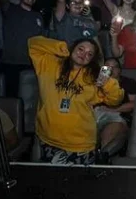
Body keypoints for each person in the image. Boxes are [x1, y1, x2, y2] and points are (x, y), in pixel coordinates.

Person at [28, 36, 125, 165]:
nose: (84, 54)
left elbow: (115, 100)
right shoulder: (49, 63)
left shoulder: (94, 77)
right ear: (72, 48)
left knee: (79, 184)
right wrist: (62, 48)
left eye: (89, 54)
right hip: (49, 140)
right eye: (81, 49)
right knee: (51, 182)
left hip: (81, 145)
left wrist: (107, 83)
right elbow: (33, 43)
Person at [0, 0, 44, 99]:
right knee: (9, 101)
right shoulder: (10, 10)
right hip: (11, 64)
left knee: (28, 101)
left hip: (30, 66)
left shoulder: (38, 16)